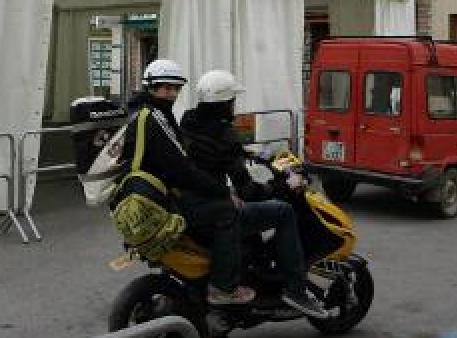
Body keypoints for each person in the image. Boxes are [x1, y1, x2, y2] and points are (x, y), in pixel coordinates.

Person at [181, 69, 327, 318]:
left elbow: (210, 157)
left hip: (189, 202)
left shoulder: (189, 121)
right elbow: (247, 190)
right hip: (214, 209)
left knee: (251, 218)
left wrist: (248, 153)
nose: (234, 107)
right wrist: (281, 187)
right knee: (283, 211)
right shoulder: (224, 134)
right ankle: (295, 290)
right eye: (232, 102)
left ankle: (256, 270)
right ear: (225, 103)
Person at [119, 58, 256, 306]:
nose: (171, 94)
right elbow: (181, 168)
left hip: (144, 191)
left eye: (175, 88)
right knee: (227, 213)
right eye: (166, 88)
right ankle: (223, 288)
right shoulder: (154, 118)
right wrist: (223, 192)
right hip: (158, 195)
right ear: (151, 87)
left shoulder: (142, 113)